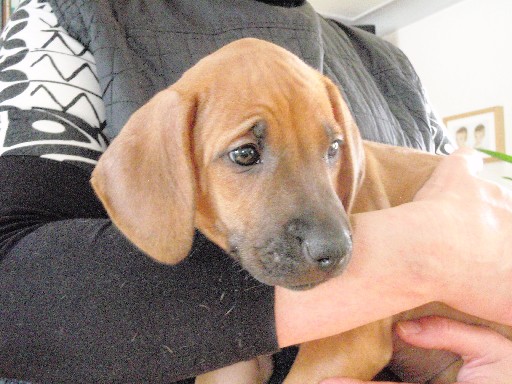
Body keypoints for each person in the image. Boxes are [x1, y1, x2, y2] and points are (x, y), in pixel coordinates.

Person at [0, 0, 511, 383]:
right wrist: (417, 256)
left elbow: (478, 210)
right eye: (246, 154)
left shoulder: (393, 70)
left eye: (330, 149)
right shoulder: (73, 15)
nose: (330, 241)